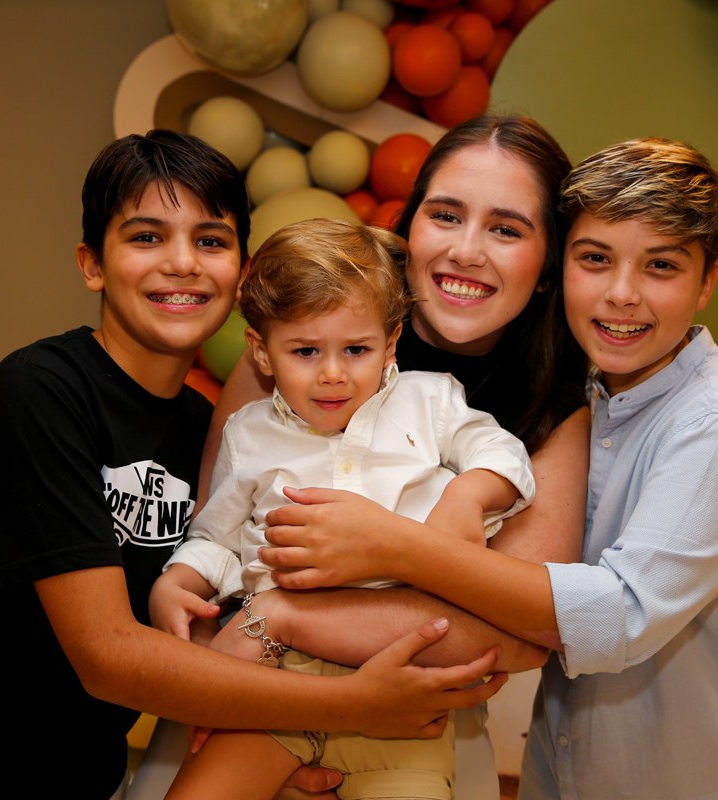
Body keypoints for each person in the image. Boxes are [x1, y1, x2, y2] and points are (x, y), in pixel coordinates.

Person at [0, 130, 505, 800]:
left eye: (211, 240)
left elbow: (218, 596)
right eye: (147, 237)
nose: (182, 263)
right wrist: (346, 708)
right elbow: (108, 656)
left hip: (73, 774)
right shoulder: (40, 393)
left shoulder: (214, 432)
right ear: (92, 263)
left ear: (241, 272)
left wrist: (286, 743)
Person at [255, 138, 718, 799]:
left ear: (708, 281)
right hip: (567, 774)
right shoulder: (593, 397)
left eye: (661, 266)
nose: (622, 294)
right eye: (595, 259)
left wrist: (395, 547)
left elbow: (620, 614)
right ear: (562, 267)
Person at [129, 115, 591, 800]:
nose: (466, 250)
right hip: (253, 694)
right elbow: (220, 545)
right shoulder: (293, 339)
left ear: (549, 265)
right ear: (410, 225)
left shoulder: (540, 407)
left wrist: (361, 565)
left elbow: (523, 635)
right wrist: (254, 693)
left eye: (506, 228)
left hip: (410, 714)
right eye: (445, 214)